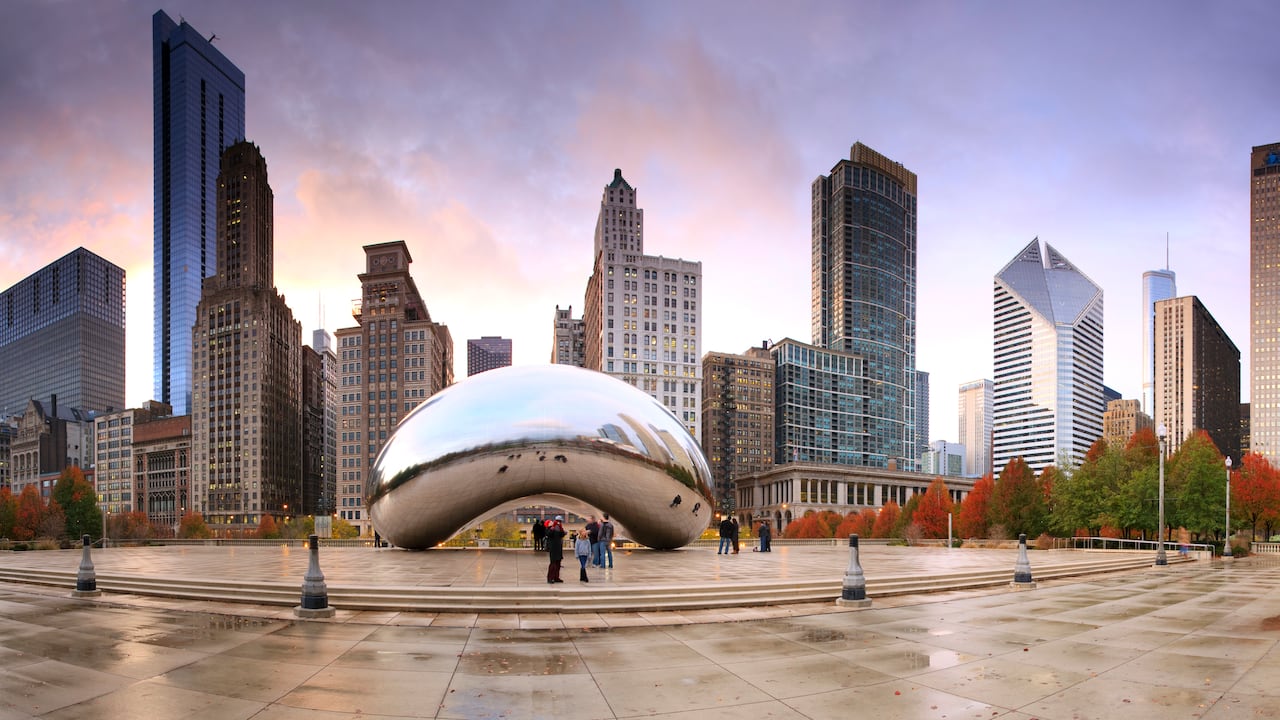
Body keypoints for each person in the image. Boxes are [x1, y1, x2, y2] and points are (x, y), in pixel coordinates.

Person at [545, 516, 567, 583]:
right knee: (553, 564)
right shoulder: (549, 529)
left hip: (558, 548)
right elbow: (548, 534)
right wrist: (552, 528)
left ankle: (556, 577)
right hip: (553, 548)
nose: (552, 522)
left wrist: (561, 529)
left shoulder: (558, 528)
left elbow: (562, 535)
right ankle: (550, 578)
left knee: (558, 563)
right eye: (550, 522)